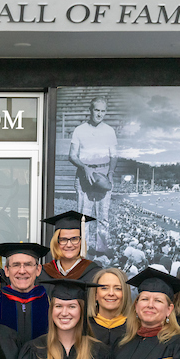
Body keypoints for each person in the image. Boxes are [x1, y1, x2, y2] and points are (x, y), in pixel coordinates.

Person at [67, 96, 117, 255]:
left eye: (103, 111)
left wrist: (110, 172)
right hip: (84, 176)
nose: (99, 114)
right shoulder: (79, 130)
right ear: (91, 110)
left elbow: (114, 156)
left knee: (103, 217)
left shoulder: (109, 131)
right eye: (97, 110)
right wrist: (85, 168)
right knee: (84, 219)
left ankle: (101, 251)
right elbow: (72, 156)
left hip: (103, 176)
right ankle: (83, 253)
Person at [0, 242, 51, 347]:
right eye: (16, 265)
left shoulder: (49, 301)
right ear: (7, 270)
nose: (22, 271)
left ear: (38, 270)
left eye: (28, 265)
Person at [40, 211, 102, 283]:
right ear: (56, 242)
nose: (69, 245)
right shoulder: (43, 273)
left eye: (74, 239)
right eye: (63, 239)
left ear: (81, 241)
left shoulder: (95, 273)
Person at [88, 267, 128, 346]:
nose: (111, 293)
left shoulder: (135, 329)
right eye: (104, 288)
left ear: (125, 294)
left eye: (118, 288)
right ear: (95, 294)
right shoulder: (84, 329)